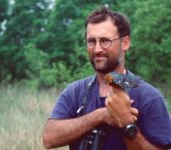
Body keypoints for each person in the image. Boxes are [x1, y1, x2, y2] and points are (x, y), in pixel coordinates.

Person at [42, 6, 171, 150]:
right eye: (91, 41)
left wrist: (126, 125)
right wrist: (101, 116)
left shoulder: (148, 97)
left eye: (105, 41)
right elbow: (49, 138)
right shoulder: (75, 91)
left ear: (125, 43)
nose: (97, 49)